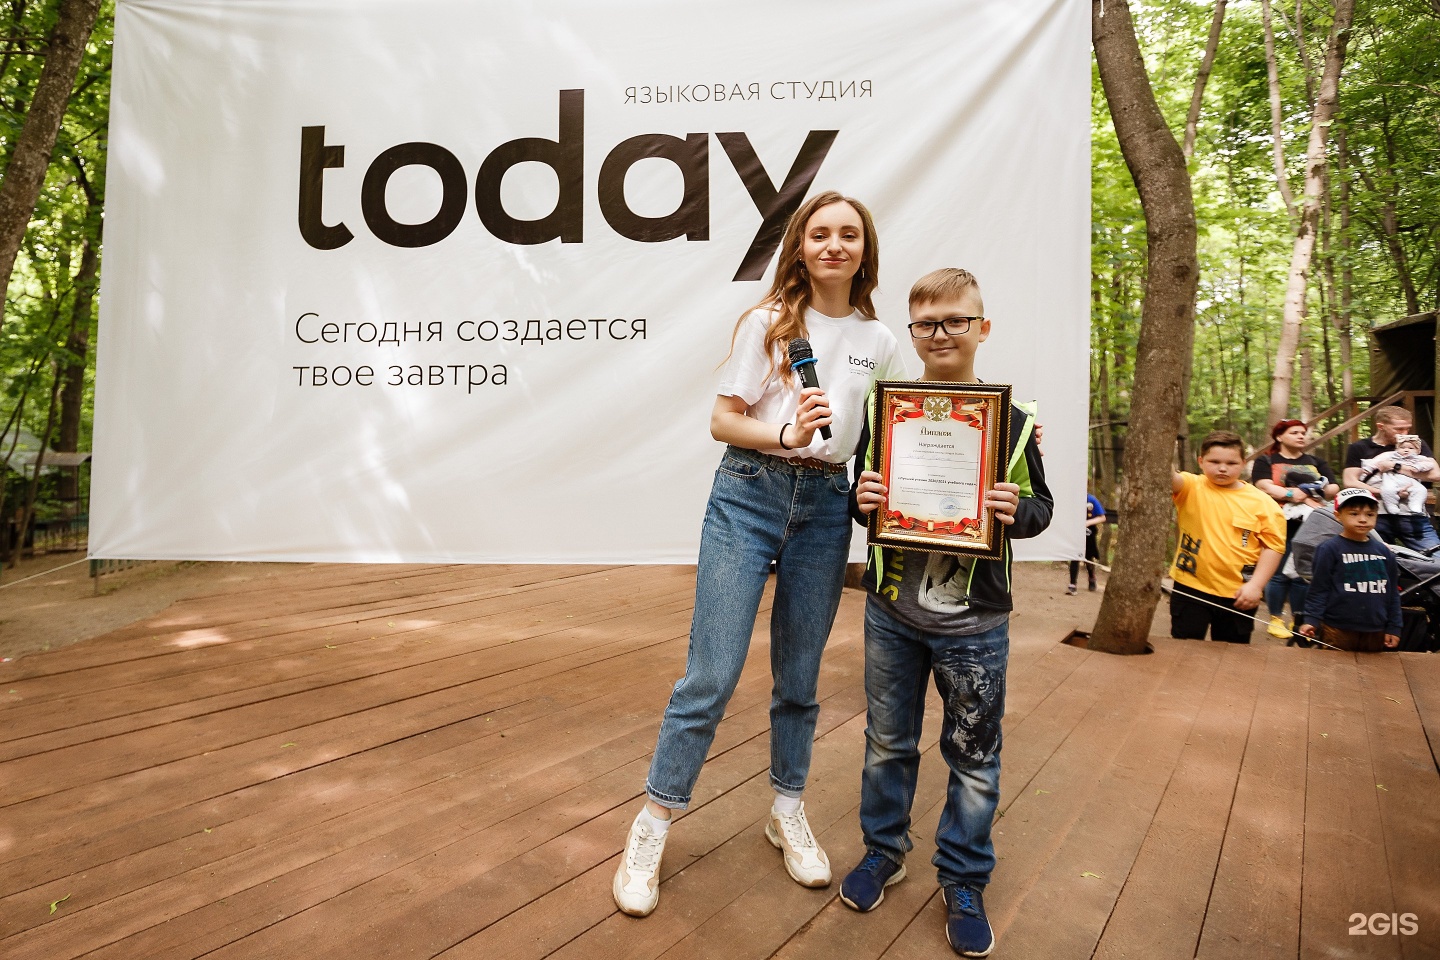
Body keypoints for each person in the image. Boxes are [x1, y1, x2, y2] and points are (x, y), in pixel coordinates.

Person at [612, 191, 908, 918]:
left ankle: (786, 809)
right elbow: (723, 420)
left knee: (799, 678)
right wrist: (785, 436)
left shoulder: (880, 340)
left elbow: (888, 433)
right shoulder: (769, 321)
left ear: (864, 251)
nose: (834, 245)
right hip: (748, 495)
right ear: (800, 247)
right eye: (820, 233)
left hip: (827, 506)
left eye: (848, 235)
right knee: (710, 674)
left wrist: (994, 433)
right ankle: (652, 822)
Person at [843, 268, 1052, 957]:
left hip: (974, 626)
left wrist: (1015, 509)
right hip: (892, 612)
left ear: (981, 328)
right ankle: (884, 851)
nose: (940, 334)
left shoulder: (1012, 421)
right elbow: (862, 496)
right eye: (926, 323)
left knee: (974, 758)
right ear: (912, 333)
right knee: (887, 742)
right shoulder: (887, 408)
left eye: (956, 321)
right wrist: (861, 498)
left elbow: (1041, 509)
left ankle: (963, 878)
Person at [1169, 431, 1287, 644]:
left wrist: (1256, 586)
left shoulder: (1263, 503)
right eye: (1214, 462)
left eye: (1231, 463)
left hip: (1239, 593)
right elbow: (1167, 476)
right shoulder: (1190, 486)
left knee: (1232, 653)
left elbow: (1273, 547)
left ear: (1243, 464)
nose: (1222, 468)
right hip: (1190, 586)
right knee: (1184, 647)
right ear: (1201, 461)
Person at [1250, 419, 1338, 638]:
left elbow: (1333, 487)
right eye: (1294, 432)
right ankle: (1275, 618)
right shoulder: (1266, 460)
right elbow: (1264, 486)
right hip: (1279, 522)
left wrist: (1308, 492)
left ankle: (1297, 619)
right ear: (1279, 436)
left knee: (1302, 573)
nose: (1301, 436)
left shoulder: (1316, 461)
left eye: (1303, 433)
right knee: (1279, 573)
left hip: (1311, 524)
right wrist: (1294, 494)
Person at [1297, 488, 1402, 652]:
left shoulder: (1384, 552)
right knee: (1335, 666)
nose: (1363, 520)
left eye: (1370, 514)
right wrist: (1312, 619)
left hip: (1376, 629)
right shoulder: (1329, 549)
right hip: (1337, 628)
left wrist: (1394, 627)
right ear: (1338, 515)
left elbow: (1392, 593)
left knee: (1373, 666)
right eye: (1354, 514)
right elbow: (1319, 588)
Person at [1343, 406, 1440, 551]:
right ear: (1381, 426)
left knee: (1436, 558)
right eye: (1399, 429)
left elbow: (1436, 475)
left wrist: (1395, 466)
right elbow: (1350, 482)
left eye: (1408, 428)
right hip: (1376, 514)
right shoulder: (1360, 447)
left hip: (1413, 515)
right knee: (1377, 557)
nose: (1405, 433)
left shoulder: (1414, 444)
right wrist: (1387, 493)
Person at [1358, 433, 1439, 551]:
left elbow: (1434, 472)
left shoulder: (1419, 457)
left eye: (1410, 448)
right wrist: (1367, 469)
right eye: (1403, 447)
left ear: (1417, 450)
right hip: (1386, 493)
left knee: (1421, 491)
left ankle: (1416, 506)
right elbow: (1373, 464)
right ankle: (1391, 505)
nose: (1406, 450)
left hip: (1411, 499)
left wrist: (1400, 466)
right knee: (1388, 490)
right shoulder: (1387, 455)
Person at [1067, 493, 1105, 595]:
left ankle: (1092, 577)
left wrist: (1088, 523)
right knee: (1075, 555)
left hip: (1089, 531)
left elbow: (1102, 517)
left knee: (1088, 556)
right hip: (1075, 530)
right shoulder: (1071, 499)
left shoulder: (1091, 499)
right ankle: (1073, 584)